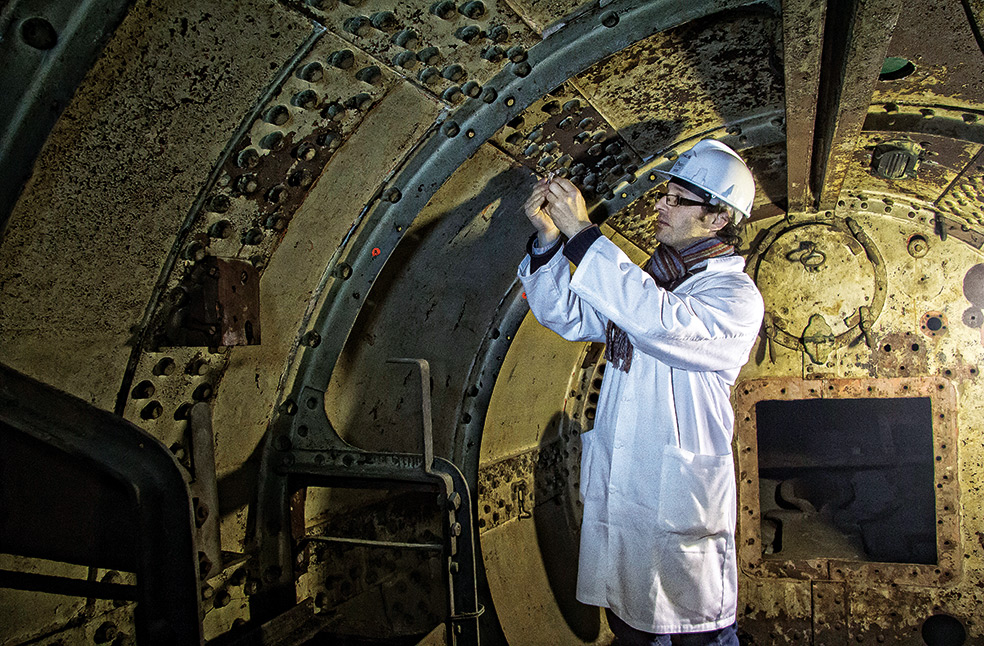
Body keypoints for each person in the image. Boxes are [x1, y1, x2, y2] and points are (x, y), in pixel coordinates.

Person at [517, 139, 765, 645]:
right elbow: (568, 314)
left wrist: (582, 234)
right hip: (628, 497)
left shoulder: (733, 297)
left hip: (680, 502)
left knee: (696, 631)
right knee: (630, 622)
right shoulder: (649, 282)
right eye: (663, 195)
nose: (659, 204)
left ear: (717, 220)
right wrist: (547, 239)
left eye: (677, 199)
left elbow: (660, 324)